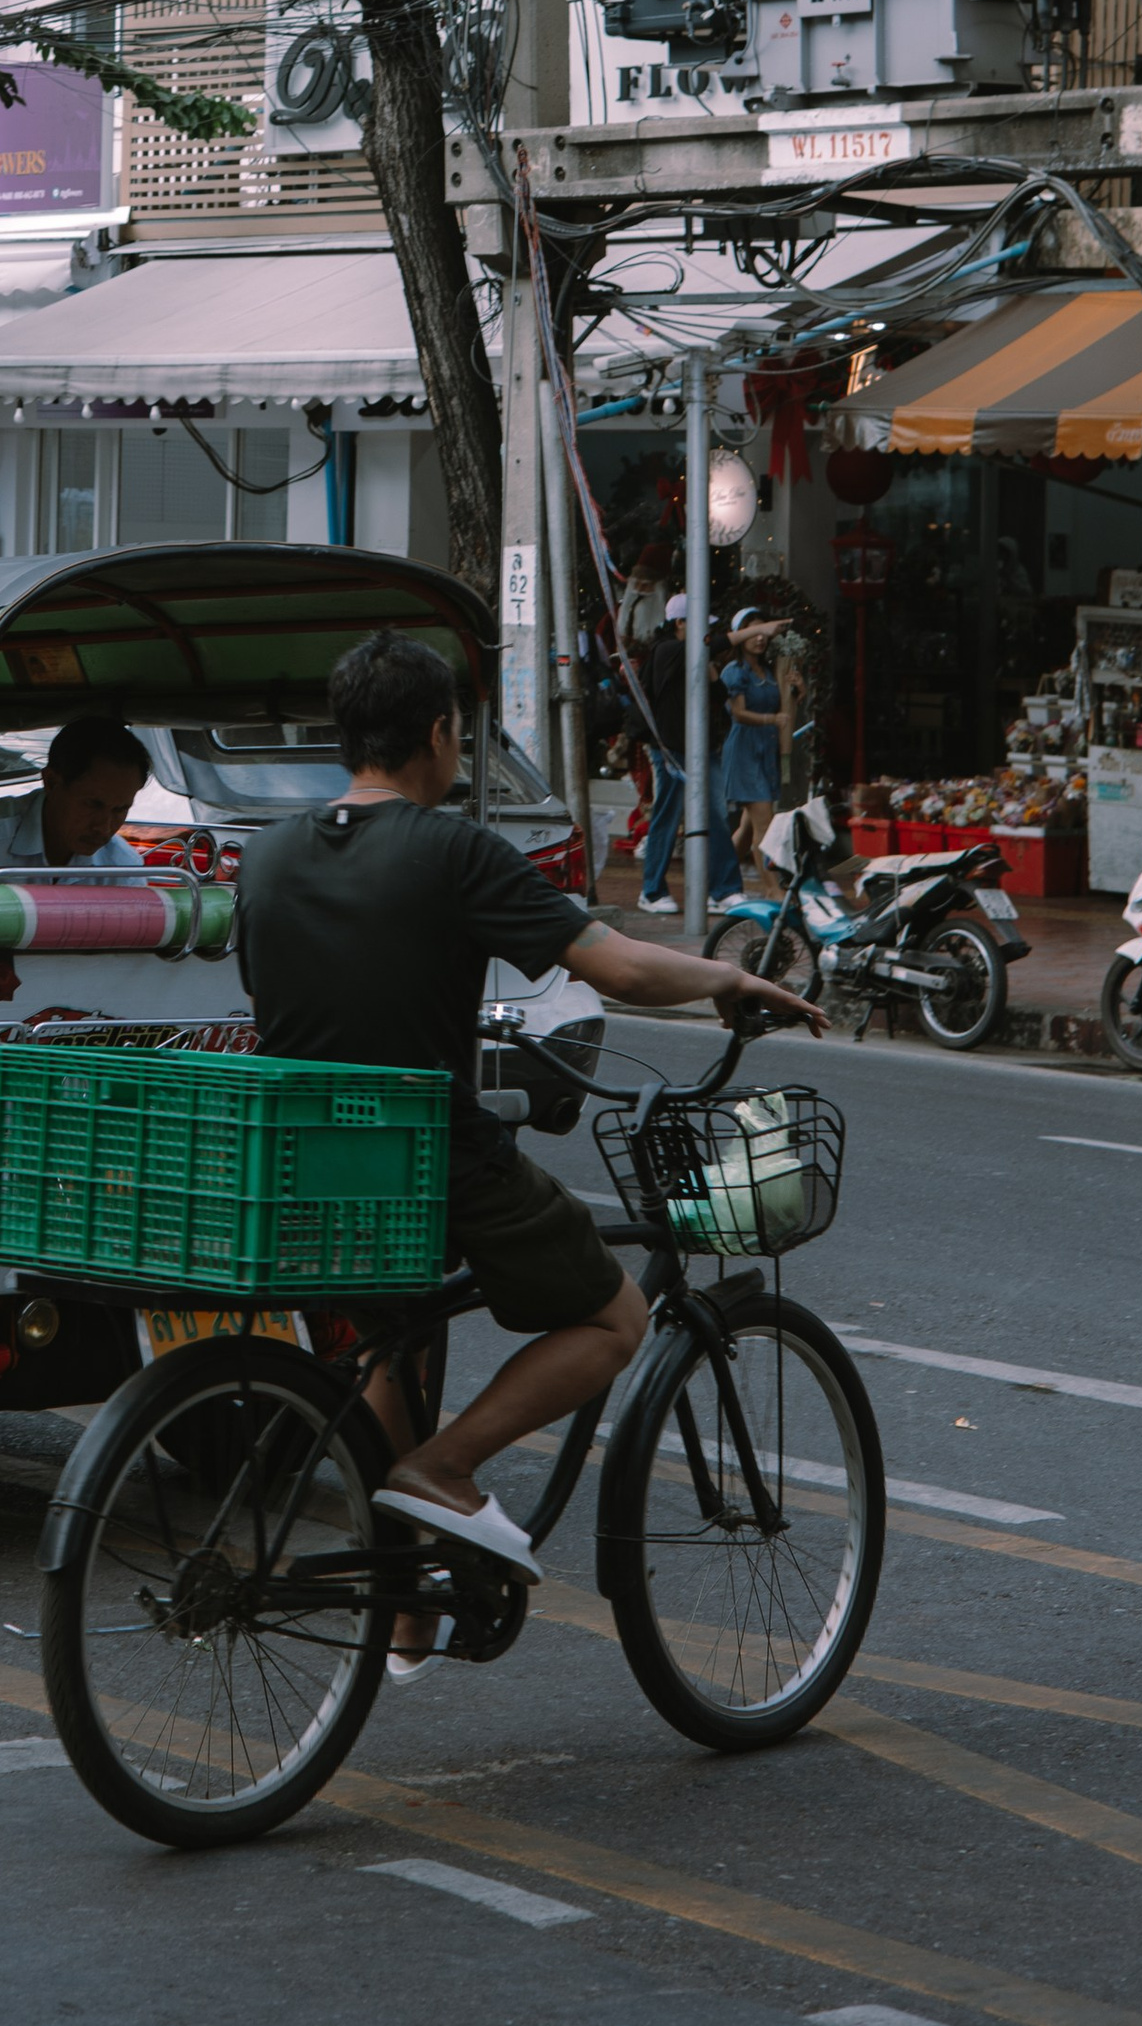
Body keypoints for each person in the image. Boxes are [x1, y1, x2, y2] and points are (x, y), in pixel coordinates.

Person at [236, 628, 823, 1667]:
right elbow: (617, 967)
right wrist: (727, 980)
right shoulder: (449, 848)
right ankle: (445, 1468)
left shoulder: (270, 854)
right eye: (458, 732)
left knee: (397, 1340)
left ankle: (407, 1598)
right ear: (436, 735)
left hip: (307, 1160)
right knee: (614, 1313)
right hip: (431, 1154)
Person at [0, 710, 150, 876]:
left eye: (120, 810)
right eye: (92, 804)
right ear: (51, 781)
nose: (103, 827)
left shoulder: (122, 865)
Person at [635, 594, 743, 914]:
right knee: (668, 816)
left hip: (704, 747)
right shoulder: (666, 650)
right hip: (671, 748)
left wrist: (711, 672)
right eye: (700, 627)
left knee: (717, 816)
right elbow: (717, 643)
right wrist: (752, 631)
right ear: (680, 624)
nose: (706, 635)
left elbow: (720, 697)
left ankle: (723, 890)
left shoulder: (697, 657)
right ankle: (652, 891)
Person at [718, 606, 800, 873]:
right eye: (755, 631)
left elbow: (785, 708)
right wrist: (770, 720)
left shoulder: (770, 671)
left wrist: (799, 690)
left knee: (747, 827)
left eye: (765, 632)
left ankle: (719, 880)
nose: (761, 638)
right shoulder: (734, 671)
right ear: (741, 635)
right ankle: (772, 889)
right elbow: (739, 713)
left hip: (767, 749)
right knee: (765, 825)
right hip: (744, 750)